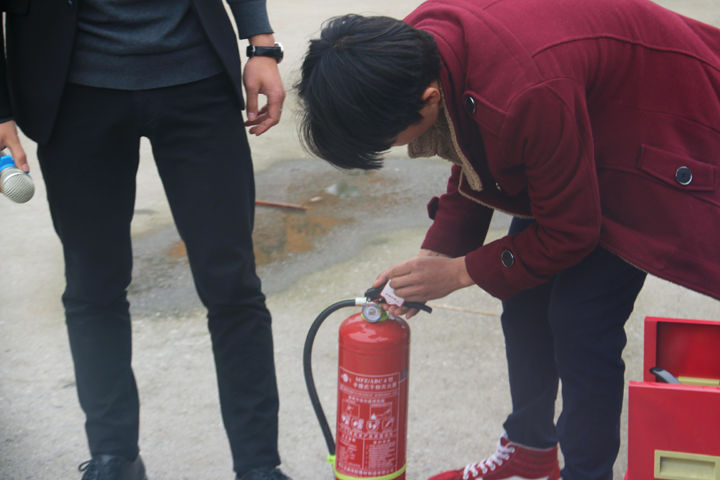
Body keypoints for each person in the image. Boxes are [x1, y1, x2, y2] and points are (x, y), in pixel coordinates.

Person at [295, 1, 720, 479]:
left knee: (581, 323)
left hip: (657, 121)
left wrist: (457, 273)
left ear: (429, 98)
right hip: (577, 111)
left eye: (385, 140)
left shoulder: (524, 93)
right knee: (524, 298)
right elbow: (471, 147)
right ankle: (530, 450)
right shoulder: (409, 49)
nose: (391, 149)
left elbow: (570, 231)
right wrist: (437, 254)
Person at [0, 0, 290, 479]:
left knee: (232, 282)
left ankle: (259, 466)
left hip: (195, 74)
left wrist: (262, 43)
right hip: (72, 87)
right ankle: (114, 457)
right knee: (93, 285)